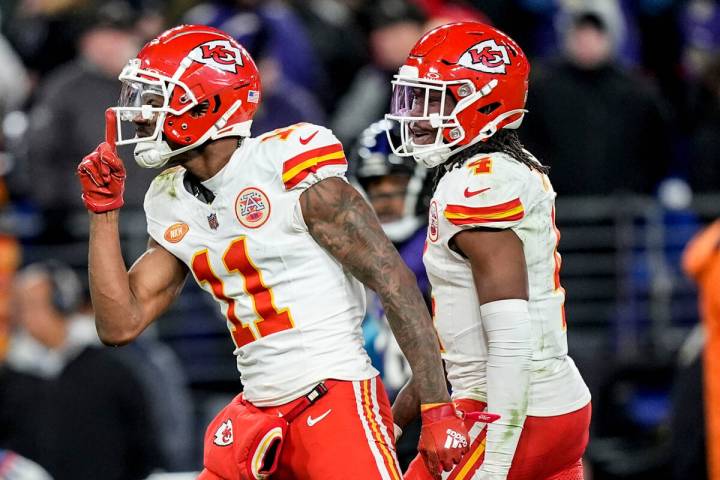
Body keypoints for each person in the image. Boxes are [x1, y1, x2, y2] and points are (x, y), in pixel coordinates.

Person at [76, 25, 469, 479]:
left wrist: (437, 407)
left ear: (206, 103)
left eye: (154, 97)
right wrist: (102, 213)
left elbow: (393, 280)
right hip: (256, 412)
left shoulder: (286, 166)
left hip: (333, 399)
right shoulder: (170, 198)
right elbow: (119, 323)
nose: (141, 114)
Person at [384, 22, 592, 480]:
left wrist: (494, 463)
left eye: (433, 100)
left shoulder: (478, 186)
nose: (417, 115)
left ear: (484, 102)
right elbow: (465, 332)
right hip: (542, 403)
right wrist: (401, 412)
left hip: (511, 411)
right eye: (415, 98)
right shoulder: (498, 169)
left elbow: (511, 339)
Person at [0, 261, 160, 480]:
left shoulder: (110, 369)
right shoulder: (11, 375)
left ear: (62, 304)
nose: (23, 316)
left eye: (32, 305)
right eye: (21, 306)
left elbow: (143, 443)